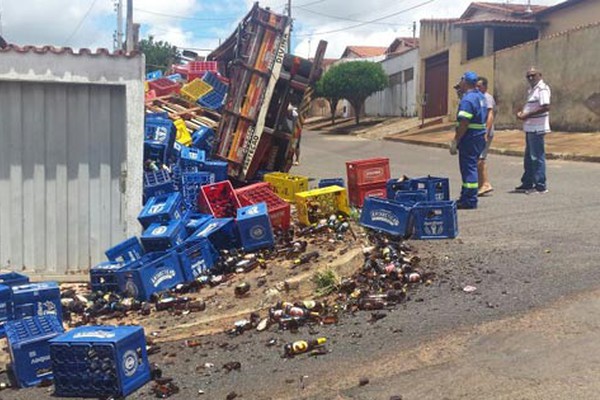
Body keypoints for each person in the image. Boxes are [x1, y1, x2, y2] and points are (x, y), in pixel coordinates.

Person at [450, 71, 487, 209]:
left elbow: (464, 122)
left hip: (469, 137)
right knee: (471, 166)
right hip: (479, 136)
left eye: (461, 81)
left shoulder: (468, 99)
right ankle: (466, 195)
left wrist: (456, 140)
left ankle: (469, 199)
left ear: (464, 82)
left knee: (468, 168)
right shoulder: (480, 97)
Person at [515, 67, 551, 194]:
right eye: (528, 76)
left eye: (533, 75)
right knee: (529, 158)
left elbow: (546, 107)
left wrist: (527, 115)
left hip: (537, 128)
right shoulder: (532, 90)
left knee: (537, 157)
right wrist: (522, 113)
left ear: (540, 75)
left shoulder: (542, 89)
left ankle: (540, 185)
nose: (530, 78)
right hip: (530, 127)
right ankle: (527, 183)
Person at [476, 76, 496, 196]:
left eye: (479, 86)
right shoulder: (479, 98)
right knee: (478, 158)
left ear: (485, 87)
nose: (477, 88)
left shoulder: (487, 98)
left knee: (480, 158)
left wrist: (486, 131)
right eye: (476, 86)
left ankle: (485, 184)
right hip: (480, 132)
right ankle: (481, 184)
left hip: (485, 132)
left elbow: (490, 115)